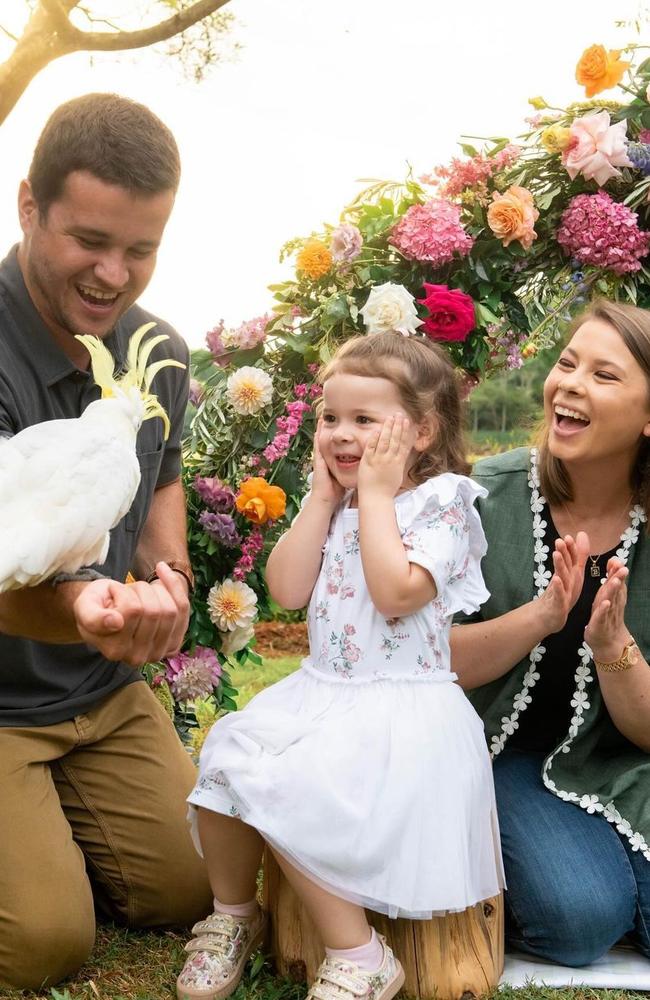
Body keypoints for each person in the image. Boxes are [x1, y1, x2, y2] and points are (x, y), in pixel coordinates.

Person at [177, 332, 505, 1000]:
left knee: (299, 788)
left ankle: (359, 954)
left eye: (365, 420)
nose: (341, 434)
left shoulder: (441, 503)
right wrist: (323, 502)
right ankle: (235, 915)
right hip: (323, 695)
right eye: (330, 419)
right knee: (228, 753)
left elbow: (395, 594)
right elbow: (288, 591)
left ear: (423, 430)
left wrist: (377, 499)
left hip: (400, 711)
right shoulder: (341, 503)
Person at [0, 93, 212, 990]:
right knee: (45, 945)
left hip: (104, 693)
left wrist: (168, 585)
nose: (114, 274)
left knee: (196, 890)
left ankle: (45, 832)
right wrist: (85, 611)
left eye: (142, 249)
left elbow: (161, 484)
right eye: (90, 240)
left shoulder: (156, 347)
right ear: (28, 207)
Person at [452, 298, 650, 967]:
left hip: (618, 764)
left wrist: (612, 647)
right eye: (567, 363)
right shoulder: (483, 496)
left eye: (604, 375)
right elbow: (426, 661)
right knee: (579, 920)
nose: (570, 383)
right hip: (494, 756)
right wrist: (539, 617)